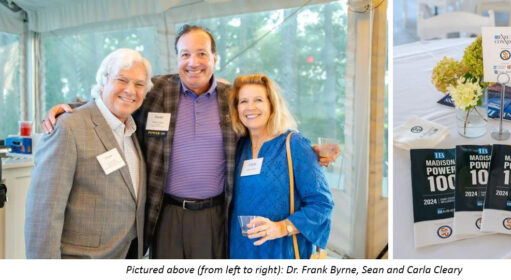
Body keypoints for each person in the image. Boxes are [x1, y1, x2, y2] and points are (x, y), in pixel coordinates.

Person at [41, 25, 338, 259]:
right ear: (176, 59)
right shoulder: (157, 91)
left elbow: (264, 127)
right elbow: (114, 97)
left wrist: (309, 154)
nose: (193, 62)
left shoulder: (230, 99)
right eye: (185, 54)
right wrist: (69, 108)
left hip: (215, 216)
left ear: (214, 58)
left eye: (201, 53)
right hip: (165, 213)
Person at [25, 48, 152, 258]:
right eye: (121, 80)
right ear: (103, 81)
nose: (130, 90)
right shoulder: (68, 128)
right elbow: (43, 214)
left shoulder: (133, 130)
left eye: (139, 84)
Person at [228, 74, 333, 259]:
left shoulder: (294, 144)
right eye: (243, 101)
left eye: (258, 100)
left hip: (281, 251)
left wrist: (281, 227)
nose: (250, 107)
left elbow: (322, 203)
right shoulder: (238, 147)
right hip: (240, 250)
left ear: (272, 104)